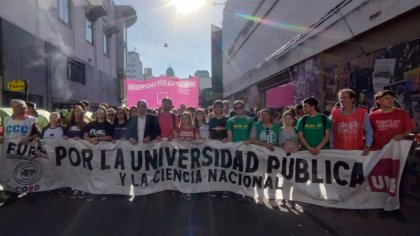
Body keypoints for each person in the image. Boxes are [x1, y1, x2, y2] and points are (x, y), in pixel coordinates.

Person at [369, 90, 414, 222]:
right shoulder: (373, 115)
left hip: (398, 154)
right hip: (380, 154)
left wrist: (402, 135)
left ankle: (396, 207)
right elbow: (369, 132)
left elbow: (409, 129)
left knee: (398, 180)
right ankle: (383, 206)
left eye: (391, 98)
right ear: (379, 101)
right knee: (382, 181)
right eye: (386, 98)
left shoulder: (401, 113)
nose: (390, 100)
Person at [0, 99, 40, 205]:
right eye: (13, 107)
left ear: (24, 108)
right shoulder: (6, 119)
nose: (15, 109)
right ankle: (12, 193)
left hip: (24, 150)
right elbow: (3, 134)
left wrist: (27, 139)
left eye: (18, 107)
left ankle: (30, 192)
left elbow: (37, 133)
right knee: (11, 171)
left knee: (25, 170)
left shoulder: (31, 120)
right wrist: (2, 138)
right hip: (9, 150)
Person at [250, 109, 281, 207]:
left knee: (272, 177)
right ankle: (260, 197)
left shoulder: (276, 127)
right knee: (260, 176)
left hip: (273, 156)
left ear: (270, 116)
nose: (263, 116)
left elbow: (280, 141)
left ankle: (272, 198)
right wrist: (265, 145)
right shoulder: (256, 126)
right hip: (260, 155)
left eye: (265, 114)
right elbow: (253, 139)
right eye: (261, 115)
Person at [83, 106, 113, 201]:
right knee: (92, 173)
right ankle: (93, 192)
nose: (100, 112)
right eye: (98, 111)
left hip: (103, 154)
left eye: (102, 111)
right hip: (91, 153)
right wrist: (91, 140)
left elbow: (109, 137)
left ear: (105, 113)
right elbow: (85, 135)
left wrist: (97, 138)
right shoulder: (91, 124)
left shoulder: (108, 124)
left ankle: (103, 192)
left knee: (103, 173)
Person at [226, 100, 255, 202]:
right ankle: (238, 193)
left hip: (248, 150)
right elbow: (229, 137)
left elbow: (253, 136)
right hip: (236, 150)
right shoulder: (231, 121)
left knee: (247, 172)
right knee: (237, 172)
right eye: (236, 108)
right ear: (234, 109)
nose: (238, 110)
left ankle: (248, 194)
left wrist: (250, 140)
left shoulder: (250, 120)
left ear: (244, 108)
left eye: (240, 107)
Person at [330, 89, 373, 155]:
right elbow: (331, 131)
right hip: (338, 151)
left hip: (357, 151)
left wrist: (368, 146)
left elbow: (369, 130)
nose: (342, 100)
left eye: (345, 97)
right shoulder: (334, 114)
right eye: (340, 98)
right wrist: (331, 146)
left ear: (352, 99)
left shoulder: (362, 113)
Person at [208, 100, 229, 198]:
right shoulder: (211, 120)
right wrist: (210, 139)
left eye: (220, 106)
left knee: (224, 168)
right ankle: (214, 188)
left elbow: (229, 134)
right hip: (213, 148)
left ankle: (224, 188)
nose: (218, 108)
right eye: (215, 107)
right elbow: (210, 134)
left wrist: (227, 139)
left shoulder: (228, 120)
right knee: (214, 168)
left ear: (223, 108)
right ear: (213, 108)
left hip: (225, 148)